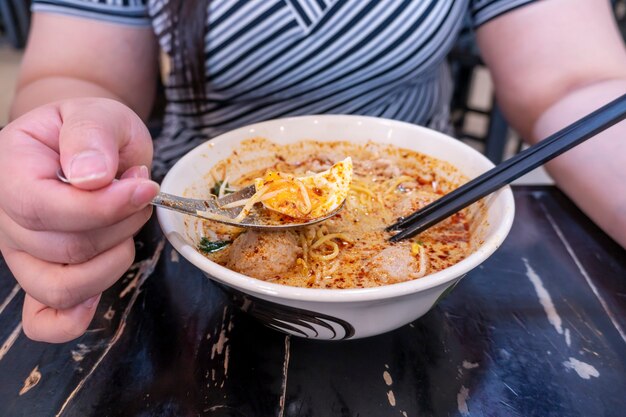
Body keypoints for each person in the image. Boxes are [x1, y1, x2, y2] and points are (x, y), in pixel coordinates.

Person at [0, 0, 624, 343]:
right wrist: (67, 145)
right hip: (176, 265)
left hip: (432, 272)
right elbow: (79, 74)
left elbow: (575, 83)